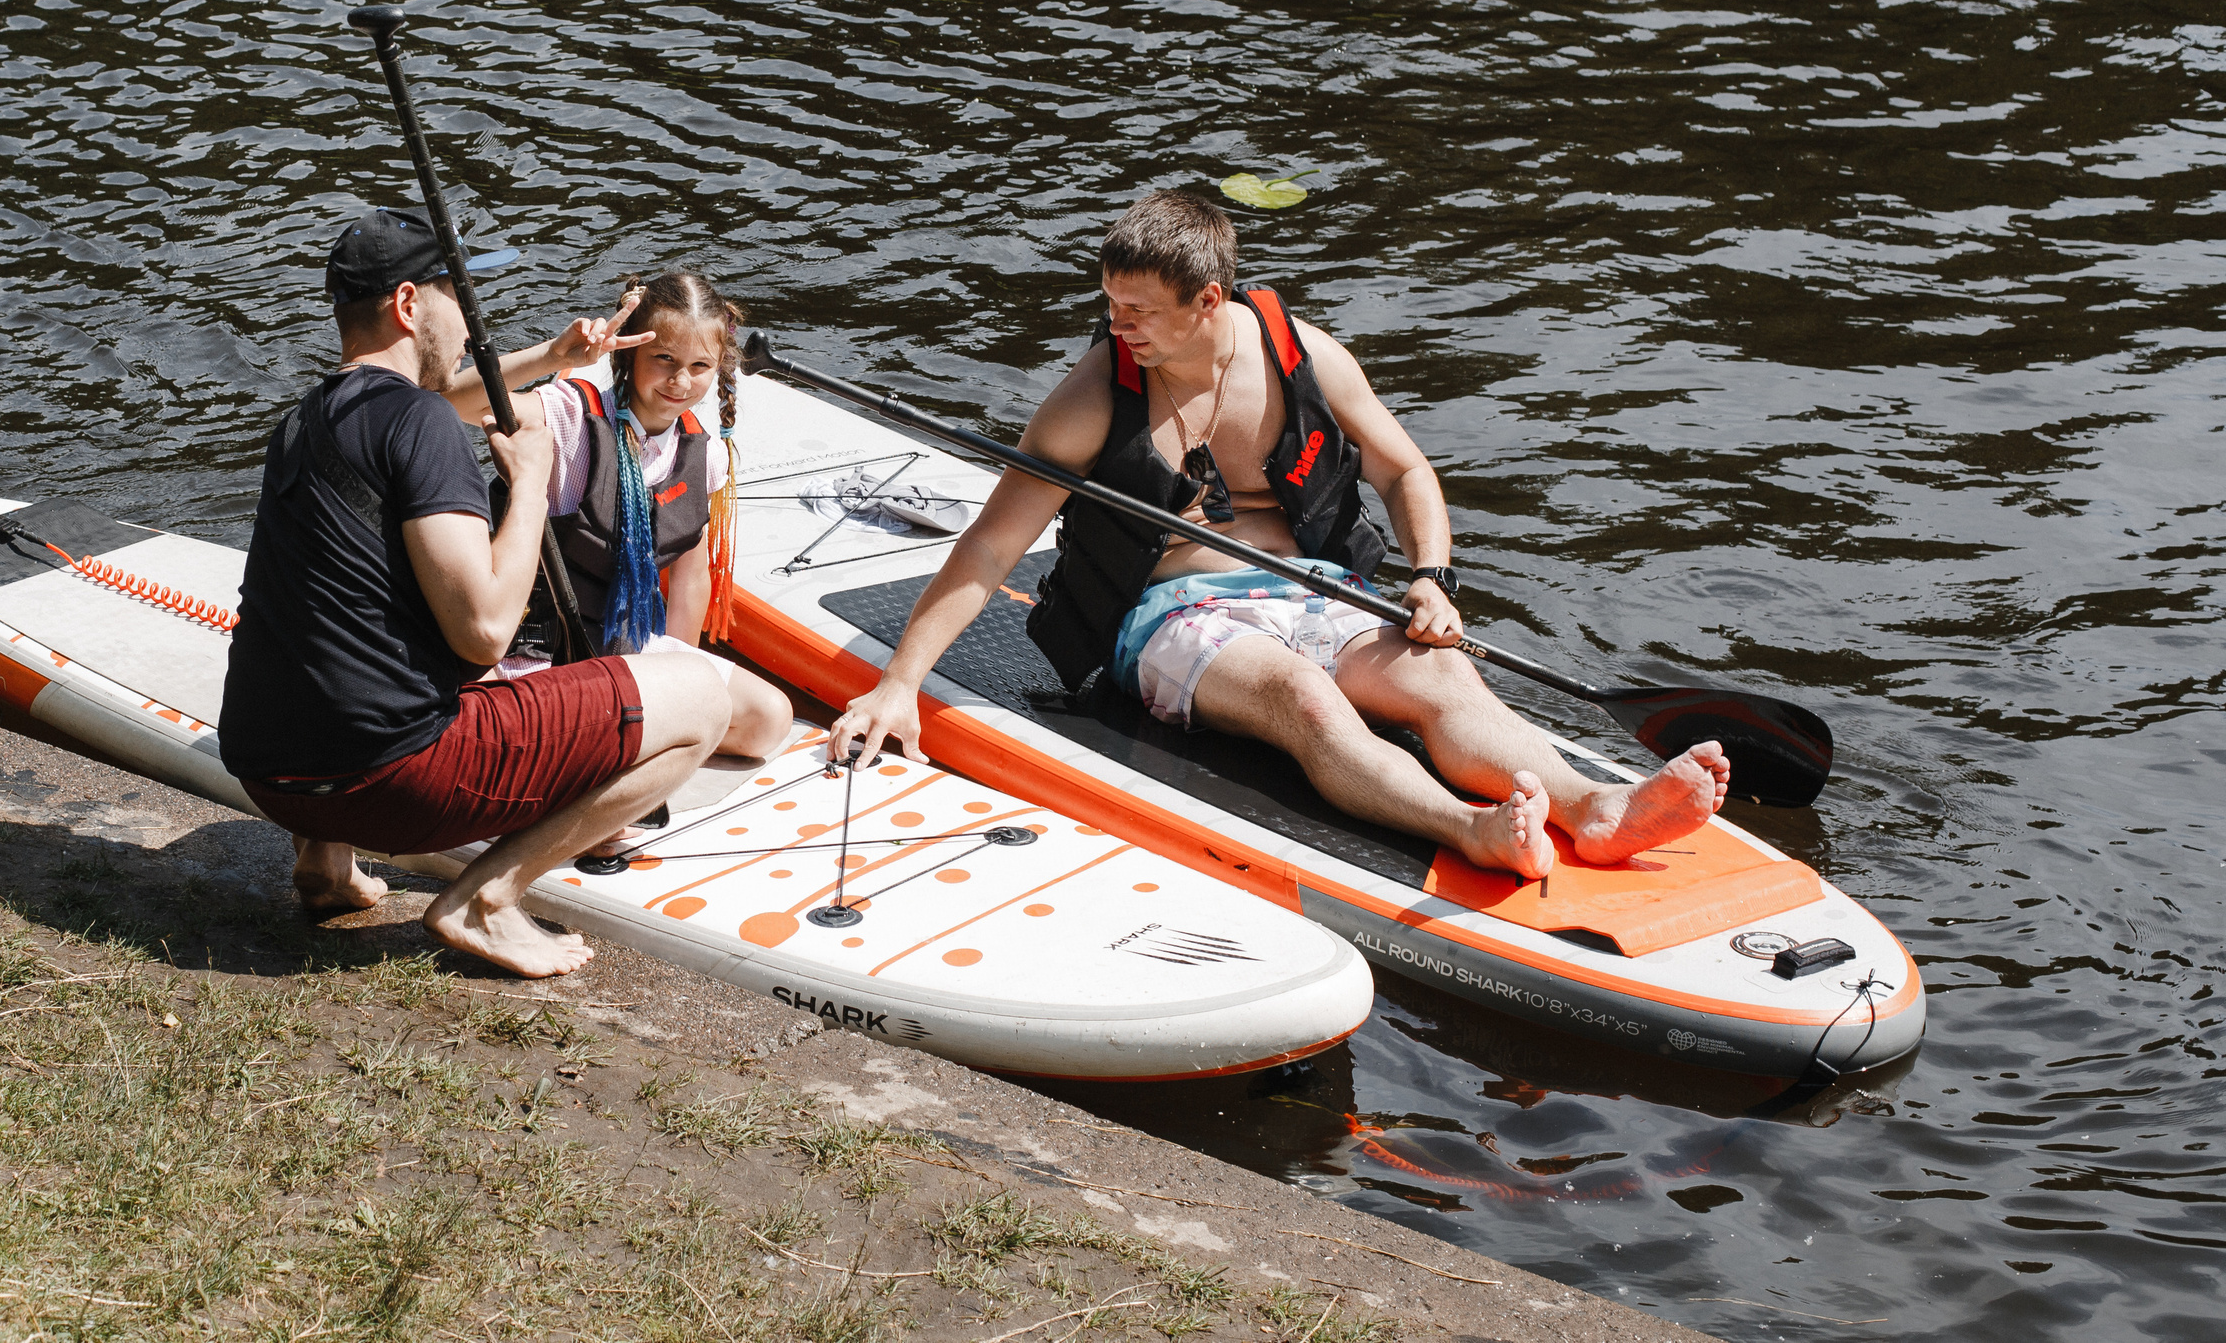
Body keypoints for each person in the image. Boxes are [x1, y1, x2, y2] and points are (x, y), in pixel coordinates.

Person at [828, 189, 1730, 880]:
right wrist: (899, 684)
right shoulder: (1093, 396)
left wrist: (1433, 578)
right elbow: (989, 546)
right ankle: (1473, 831)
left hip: (1313, 590)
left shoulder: (1303, 352)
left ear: (1208, 299)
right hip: (1172, 616)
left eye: (1136, 309)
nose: (1116, 325)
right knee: (1304, 697)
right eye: (1110, 303)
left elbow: (1404, 470)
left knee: (1444, 674)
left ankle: (1592, 808)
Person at [220, 205, 729, 977]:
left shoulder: (305, 418)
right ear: (407, 305)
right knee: (703, 700)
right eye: (457, 296)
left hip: (269, 774)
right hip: (392, 784)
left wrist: (552, 357)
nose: (468, 322)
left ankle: (325, 864)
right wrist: (527, 483)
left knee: (344, 602)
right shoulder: (421, 422)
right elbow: (486, 631)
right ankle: (486, 900)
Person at [498, 272, 794, 763]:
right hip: (537, 654)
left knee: (768, 719)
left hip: (625, 652)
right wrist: (554, 356)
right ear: (628, 353)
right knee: (597, 761)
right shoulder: (569, 416)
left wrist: (678, 692)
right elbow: (452, 402)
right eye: (664, 360)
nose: (681, 382)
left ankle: (626, 738)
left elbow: (691, 576)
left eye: (700, 365)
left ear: (720, 366)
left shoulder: (707, 456)